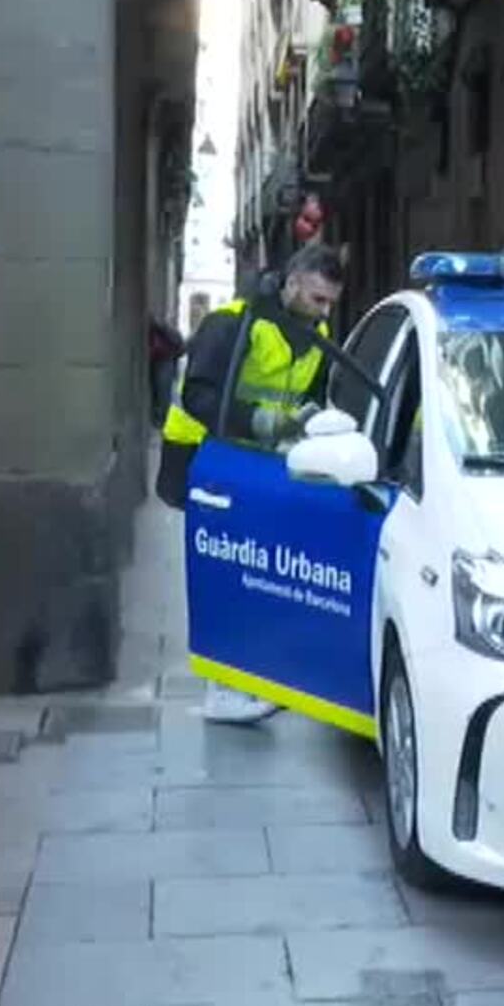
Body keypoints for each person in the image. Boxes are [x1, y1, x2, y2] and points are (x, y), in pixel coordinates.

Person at [157, 242, 346, 724]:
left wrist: (305, 419)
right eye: (317, 299)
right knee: (223, 572)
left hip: (254, 466)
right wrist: (259, 421)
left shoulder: (317, 336)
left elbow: (309, 395)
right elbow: (197, 393)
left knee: (250, 574)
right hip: (204, 459)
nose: (325, 312)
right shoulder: (232, 323)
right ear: (292, 283)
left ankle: (245, 678)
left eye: (330, 303)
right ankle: (222, 689)